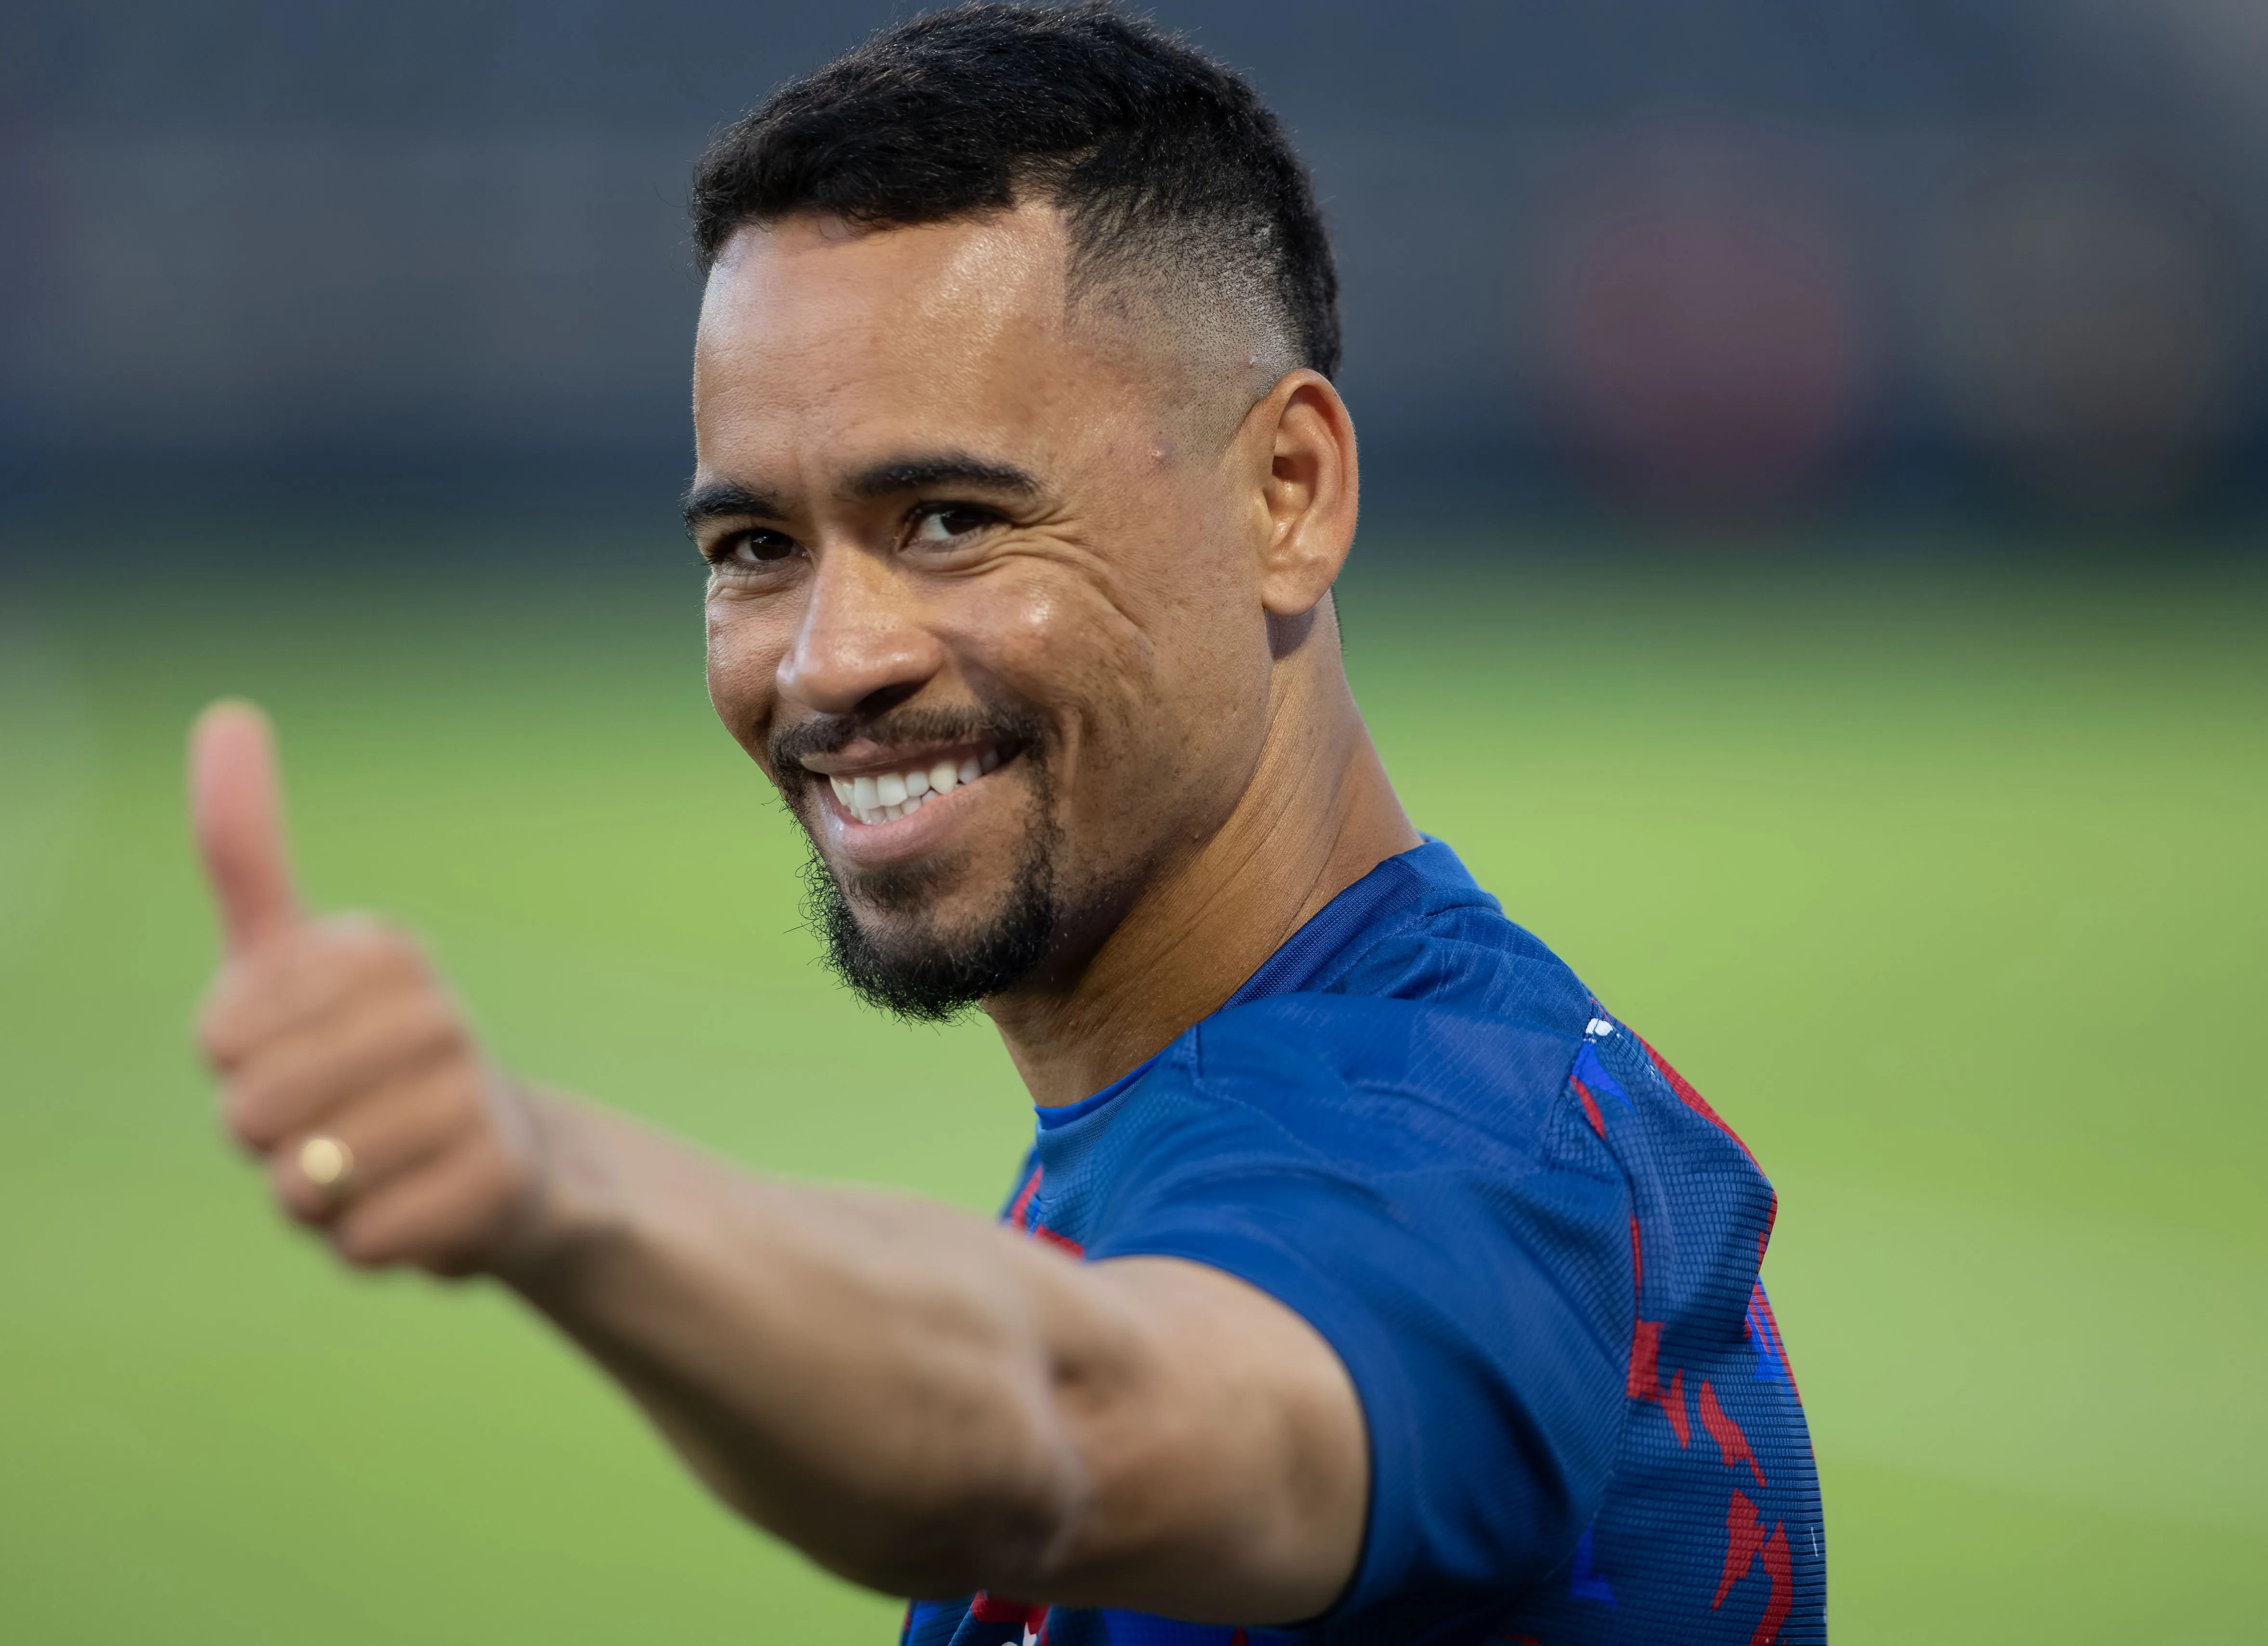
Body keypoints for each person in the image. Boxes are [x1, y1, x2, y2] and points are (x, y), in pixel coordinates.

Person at [187, 6, 1823, 1642]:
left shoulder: (1468, 1143)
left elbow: (1075, 1433)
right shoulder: (1172, 1116)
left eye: (954, 520)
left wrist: (556, 1191)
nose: (832, 660)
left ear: (1290, 495)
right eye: (755, 547)